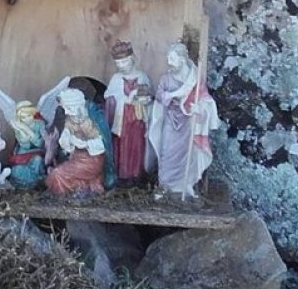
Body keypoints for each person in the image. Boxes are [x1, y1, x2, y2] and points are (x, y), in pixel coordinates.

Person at [151, 43, 219, 198]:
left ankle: (182, 186)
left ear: (182, 59)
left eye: (172, 58)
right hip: (170, 120)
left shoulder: (194, 80)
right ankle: (165, 185)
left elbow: (206, 101)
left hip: (187, 122)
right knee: (167, 152)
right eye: (168, 58)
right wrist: (172, 95)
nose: (169, 62)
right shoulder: (166, 79)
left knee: (187, 154)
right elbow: (160, 96)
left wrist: (199, 108)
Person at [104, 40, 154, 183]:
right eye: (118, 63)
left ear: (131, 59)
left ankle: (137, 175)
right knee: (122, 146)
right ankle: (123, 175)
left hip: (137, 118)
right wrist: (124, 99)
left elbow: (149, 96)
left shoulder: (142, 76)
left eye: (124, 62)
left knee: (136, 146)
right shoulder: (116, 78)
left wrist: (144, 99)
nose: (121, 66)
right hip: (121, 120)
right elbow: (108, 96)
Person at [45, 88, 107, 197]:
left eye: (68, 108)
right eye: (65, 108)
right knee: (57, 173)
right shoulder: (70, 120)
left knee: (57, 174)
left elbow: (101, 145)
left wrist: (82, 144)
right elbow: (66, 145)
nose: (67, 112)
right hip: (76, 159)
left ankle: (64, 194)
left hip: (91, 161)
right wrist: (65, 139)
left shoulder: (91, 121)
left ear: (77, 106)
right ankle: (79, 187)